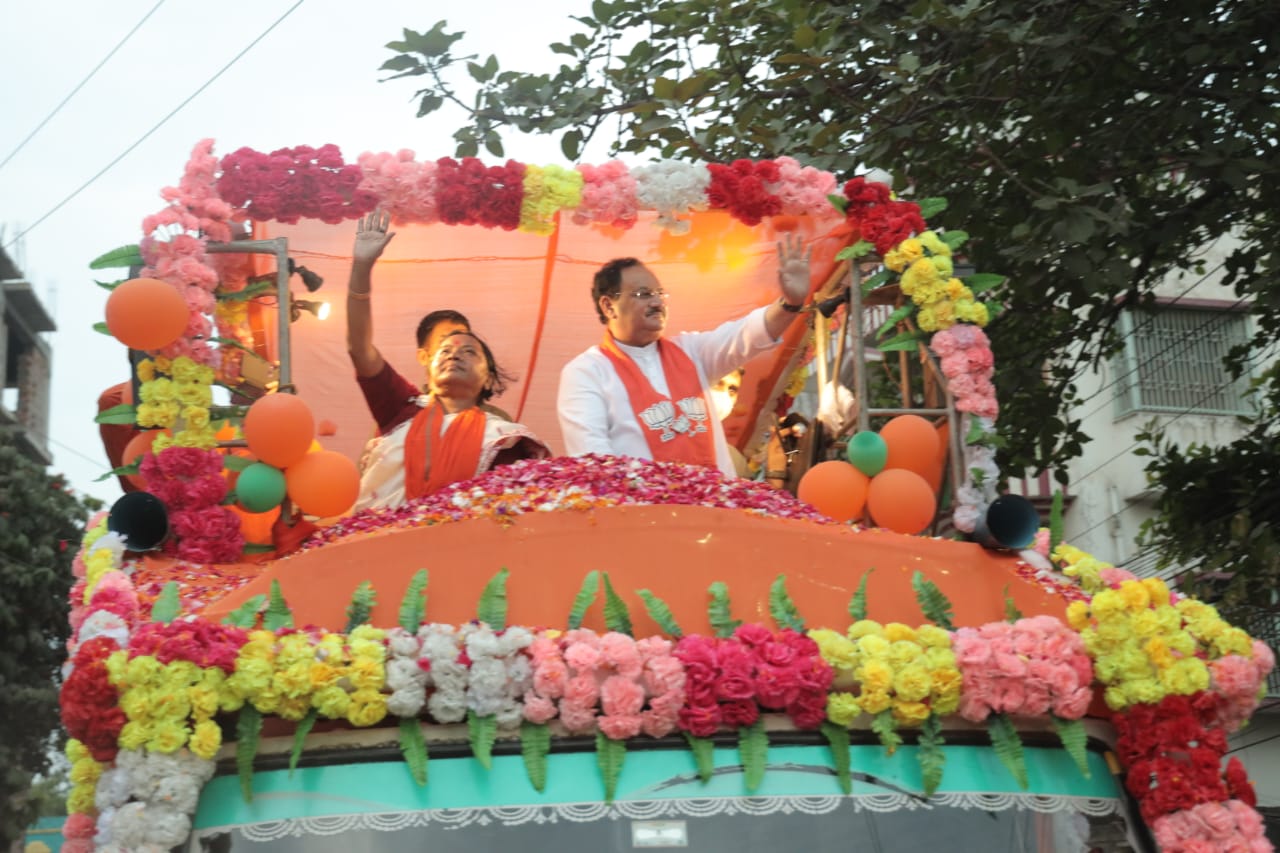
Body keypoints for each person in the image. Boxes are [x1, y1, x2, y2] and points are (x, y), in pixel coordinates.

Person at [557, 235, 812, 477]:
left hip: (718, 510)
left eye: (660, 294)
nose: (657, 303)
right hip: (643, 515)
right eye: (644, 294)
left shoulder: (691, 351)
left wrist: (789, 304)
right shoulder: (587, 372)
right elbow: (593, 459)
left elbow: (745, 336)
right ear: (609, 306)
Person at [347, 210, 548, 510]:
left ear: (488, 377)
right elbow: (359, 348)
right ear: (427, 364)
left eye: (470, 351)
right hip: (377, 545)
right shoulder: (400, 408)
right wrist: (361, 269)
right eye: (445, 350)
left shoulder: (504, 438)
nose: (455, 353)